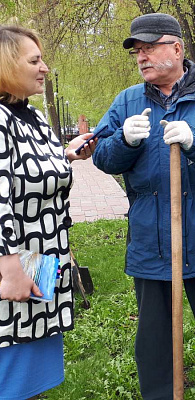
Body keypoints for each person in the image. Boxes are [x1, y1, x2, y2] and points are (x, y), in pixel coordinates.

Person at [91, 13, 195, 399]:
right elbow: (101, 156)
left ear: (177, 48)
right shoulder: (128, 101)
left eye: (150, 48)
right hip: (151, 240)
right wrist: (123, 141)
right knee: (153, 339)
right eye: (137, 51)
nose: (141, 57)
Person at [0, 25, 96, 399]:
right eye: (35, 60)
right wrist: (9, 271)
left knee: (32, 370)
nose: (45, 68)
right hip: (13, 263)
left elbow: (31, 169)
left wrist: (66, 154)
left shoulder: (34, 117)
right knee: (9, 364)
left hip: (41, 258)